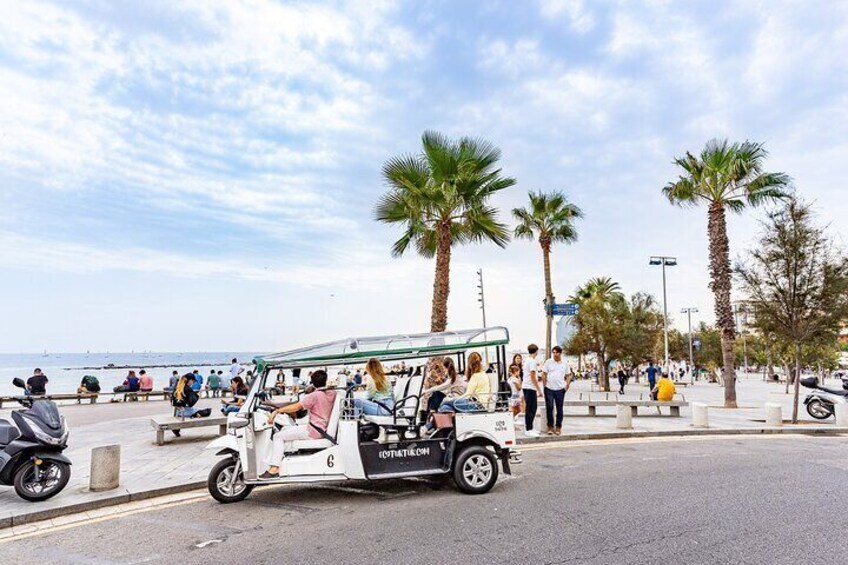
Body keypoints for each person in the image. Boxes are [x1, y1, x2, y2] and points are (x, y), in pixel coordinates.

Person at [260, 370, 337, 480]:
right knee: (287, 429)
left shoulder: (314, 396)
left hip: (313, 431)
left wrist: (277, 411)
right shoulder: (332, 393)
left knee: (278, 436)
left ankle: (274, 469)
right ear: (325, 380)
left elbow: (296, 407)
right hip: (321, 429)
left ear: (312, 382)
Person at [541, 346, 570, 436]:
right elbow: (544, 373)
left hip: (560, 389)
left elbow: (569, 375)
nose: (555, 354)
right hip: (549, 388)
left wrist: (567, 385)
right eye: (553, 352)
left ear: (560, 353)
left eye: (556, 352)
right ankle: (550, 426)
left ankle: (558, 427)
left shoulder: (564, 363)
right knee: (549, 407)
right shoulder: (548, 362)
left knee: (559, 409)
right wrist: (544, 384)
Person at [521, 344, 544, 438]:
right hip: (530, 387)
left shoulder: (527, 360)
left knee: (532, 408)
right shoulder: (532, 362)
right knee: (531, 409)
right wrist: (539, 389)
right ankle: (528, 429)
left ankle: (530, 427)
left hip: (527, 387)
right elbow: (532, 376)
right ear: (536, 351)